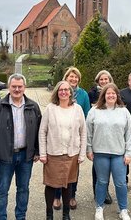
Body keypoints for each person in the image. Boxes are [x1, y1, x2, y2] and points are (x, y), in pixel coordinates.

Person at [0, 73, 42, 220]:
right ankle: (1, 217)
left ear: (25, 87)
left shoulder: (33, 106)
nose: (17, 89)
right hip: (4, 157)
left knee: (23, 189)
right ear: (9, 87)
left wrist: (37, 150)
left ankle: (20, 216)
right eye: (14, 86)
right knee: (2, 190)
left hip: (25, 156)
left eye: (20, 86)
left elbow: (39, 131)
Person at [38, 81, 87, 220]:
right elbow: (42, 132)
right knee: (51, 185)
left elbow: (83, 132)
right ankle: (49, 214)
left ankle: (66, 214)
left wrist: (82, 153)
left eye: (67, 90)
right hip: (53, 154)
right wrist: (42, 153)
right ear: (57, 92)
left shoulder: (77, 109)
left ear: (71, 93)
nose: (64, 92)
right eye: (61, 90)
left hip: (72, 153)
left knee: (68, 184)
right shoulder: (50, 108)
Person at [86, 83, 131, 220]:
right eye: (108, 93)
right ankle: (99, 208)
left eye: (113, 93)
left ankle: (123, 209)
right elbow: (89, 132)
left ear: (117, 95)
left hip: (118, 153)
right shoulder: (94, 111)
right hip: (100, 153)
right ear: (104, 95)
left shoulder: (124, 111)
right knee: (101, 181)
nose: (111, 95)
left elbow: (129, 134)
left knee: (120, 183)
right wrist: (89, 149)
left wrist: (129, 153)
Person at [52, 66, 90, 210]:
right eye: (71, 77)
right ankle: (57, 197)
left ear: (78, 80)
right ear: (66, 78)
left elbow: (86, 116)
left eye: (76, 77)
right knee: (58, 170)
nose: (73, 79)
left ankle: (72, 195)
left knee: (73, 170)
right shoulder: (59, 91)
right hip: (59, 138)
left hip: (75, 139)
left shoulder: (83, 95)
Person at [88, 70, 114, 204]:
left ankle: (106, 190)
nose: (104, 82)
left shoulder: (113, 93)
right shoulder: (91, 94)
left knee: (108, 165)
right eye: (101, 79)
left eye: (106, 79)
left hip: (110, 135)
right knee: (97, 165)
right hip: (97, 134)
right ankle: (97, 190)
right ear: (98, 81)